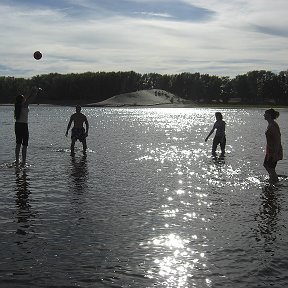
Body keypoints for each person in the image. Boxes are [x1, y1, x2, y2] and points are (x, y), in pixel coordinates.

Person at [14, 87, 42, 167]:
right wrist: (36, 91)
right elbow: (31, 98)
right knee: (25, 145)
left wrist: (31, 90)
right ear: (23, 100)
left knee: (18, 143)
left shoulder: (17, 105)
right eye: (24, 98)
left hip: (17, 125)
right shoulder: (25, 105)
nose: (25, 99)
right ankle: (23, 162)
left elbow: (26, 97)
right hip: (23, 125)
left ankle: (17, 161)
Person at [263, 108, 283, 184]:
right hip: (270, 150)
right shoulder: (270, 124)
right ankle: (272, 179)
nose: (264, 115)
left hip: (274, 150)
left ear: (269, 115)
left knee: (270, 167)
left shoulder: (273, 126)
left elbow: (277, 140)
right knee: (266, 165)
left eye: (265, 114)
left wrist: (275, 153)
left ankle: (275, 182)